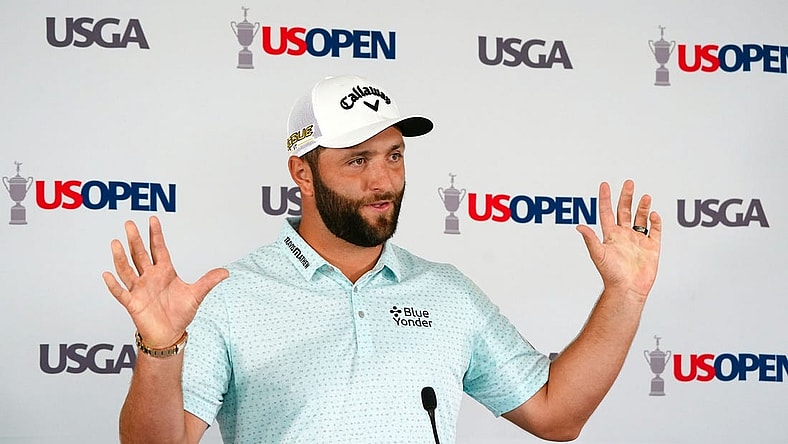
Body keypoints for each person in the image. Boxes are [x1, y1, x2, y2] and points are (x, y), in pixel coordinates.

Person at [103, 74, 662, 444]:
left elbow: (556, 413)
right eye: (357, 160)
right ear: (302, 173)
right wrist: (159, 348)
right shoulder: (231, 293)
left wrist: (625, 296)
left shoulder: (445, 291)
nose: (383, 180)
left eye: (394, 155)